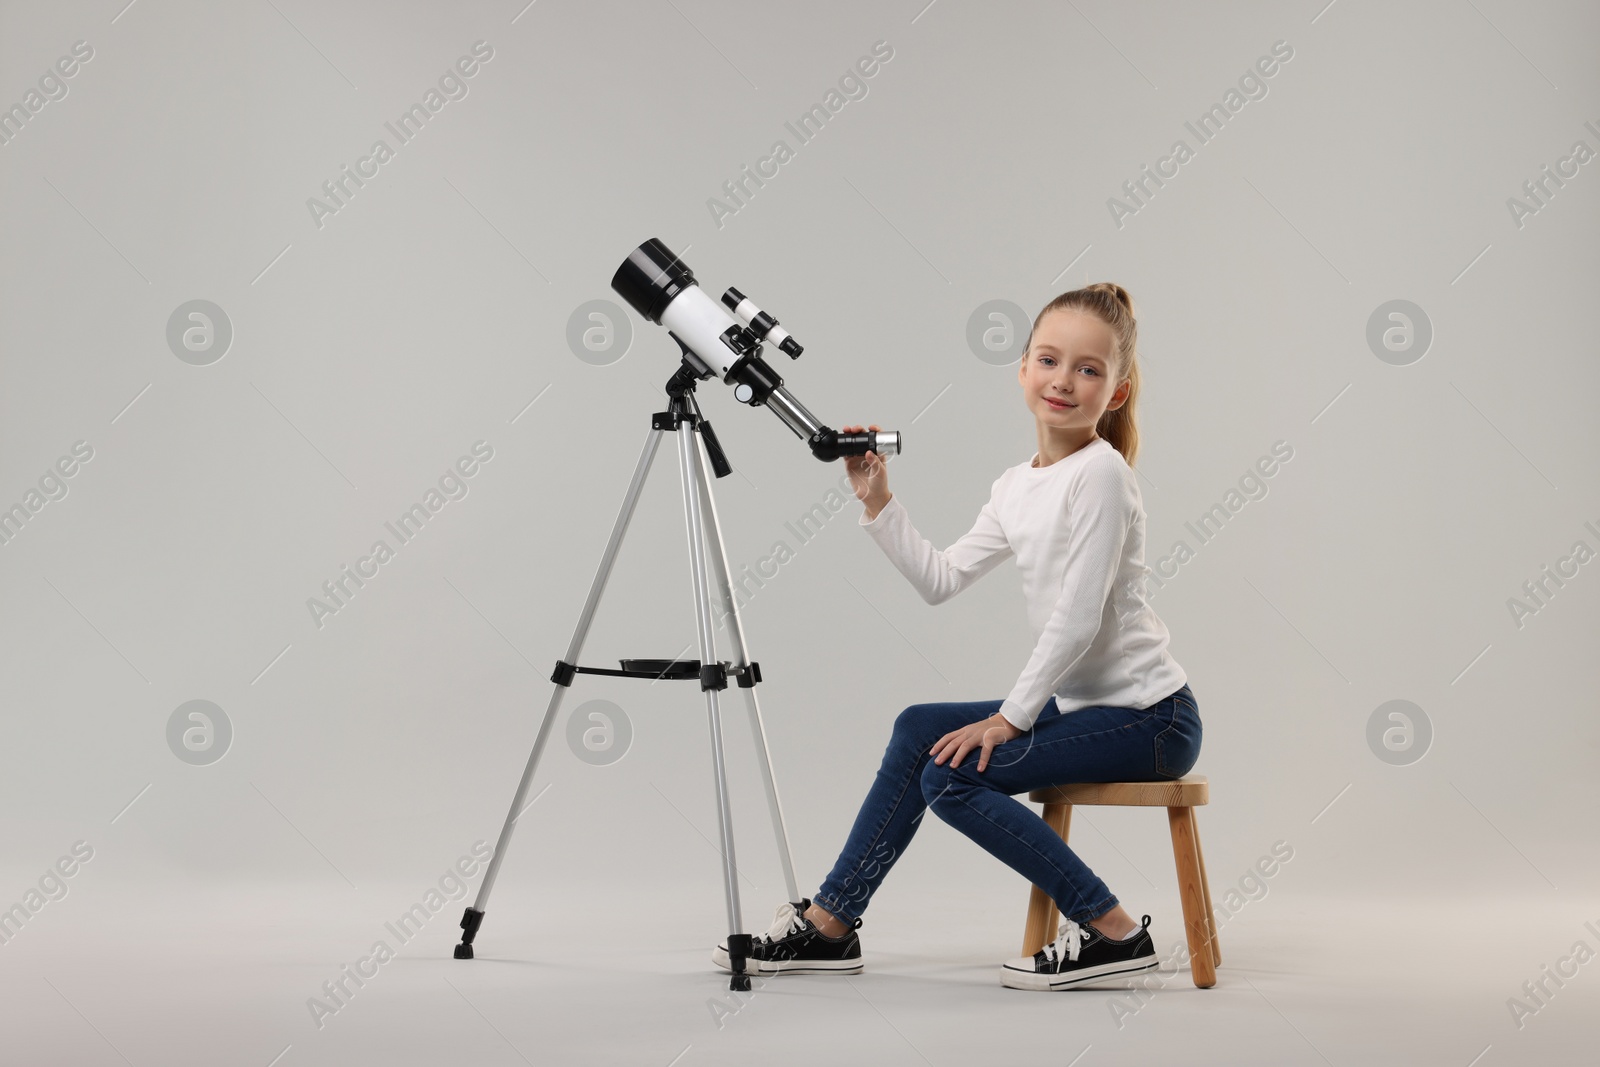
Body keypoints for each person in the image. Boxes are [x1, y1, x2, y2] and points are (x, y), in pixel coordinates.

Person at [713, 283, 1201, 991]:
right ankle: (831, 923)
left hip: (1152, 720)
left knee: (950, 774)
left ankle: (1113, 929)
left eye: (1089, 369)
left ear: (1117, 393)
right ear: (1023, 370)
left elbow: (1078, 620)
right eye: (1049, 359)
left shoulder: (1100, 476)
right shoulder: (1016, 484)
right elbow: (941, 577)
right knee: (919, 729)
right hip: (1088, 712)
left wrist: (1009, 719)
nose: (1064, 380)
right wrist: (877, 500)